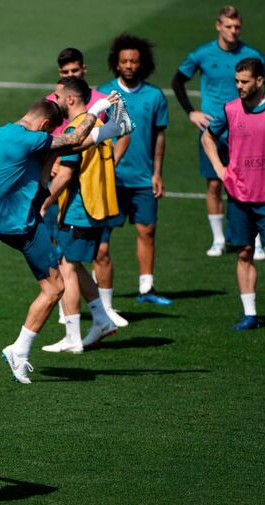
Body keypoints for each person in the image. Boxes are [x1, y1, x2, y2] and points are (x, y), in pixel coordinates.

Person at [0, 93, 130, 383]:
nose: (46, 137)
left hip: (10, 219)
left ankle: (116, 130)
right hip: (24, 225)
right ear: (45, 123)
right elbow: (71, 141)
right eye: (48, 132)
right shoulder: (27, 139)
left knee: (50, 152)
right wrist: (97, 108)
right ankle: (18, 350)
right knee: (54, 288)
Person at [201, 58, 265, 334]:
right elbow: (207, 138)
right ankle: (250, 314)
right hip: (240, 195)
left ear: (259, 81)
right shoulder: (231, 110)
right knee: (243, 252)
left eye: (244, 82)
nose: (239, 86)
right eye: (237, 81)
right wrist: (220, 170)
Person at [172, 5, 265, 257]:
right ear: (218, 25)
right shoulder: (202, 54)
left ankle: (259, 240)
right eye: (228, 26)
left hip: (246, 130)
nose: (233, 31)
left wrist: (261, 116)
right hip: (214, 130)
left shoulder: (252, 55)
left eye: (237, 27)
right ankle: (219, 240)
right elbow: (177, 80)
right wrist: (191, 112)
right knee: (213, 184)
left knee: (254, 182)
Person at [40, 77, 119, 353]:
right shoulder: (98, 124)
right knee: (73, 263)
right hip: (96, 207)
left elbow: (65, 173)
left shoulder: (77, 128)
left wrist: (44, 202)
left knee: (66, 268)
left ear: (71, 99)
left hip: (79, 208)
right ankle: (101, 319)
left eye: (58, 95)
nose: (55, 99)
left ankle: (72, 336)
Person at [97, 33, 172, 314]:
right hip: (110, 179)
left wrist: (157, 173)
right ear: (116, 64)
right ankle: (101, 293)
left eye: (134, 61)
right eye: (124, 61)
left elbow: (159, 137)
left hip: (142, 178)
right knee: (102, 239)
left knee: (147, 230)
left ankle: (146, 287)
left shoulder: (154, 96)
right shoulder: (104, 94)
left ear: (142, 64)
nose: (129, 65)